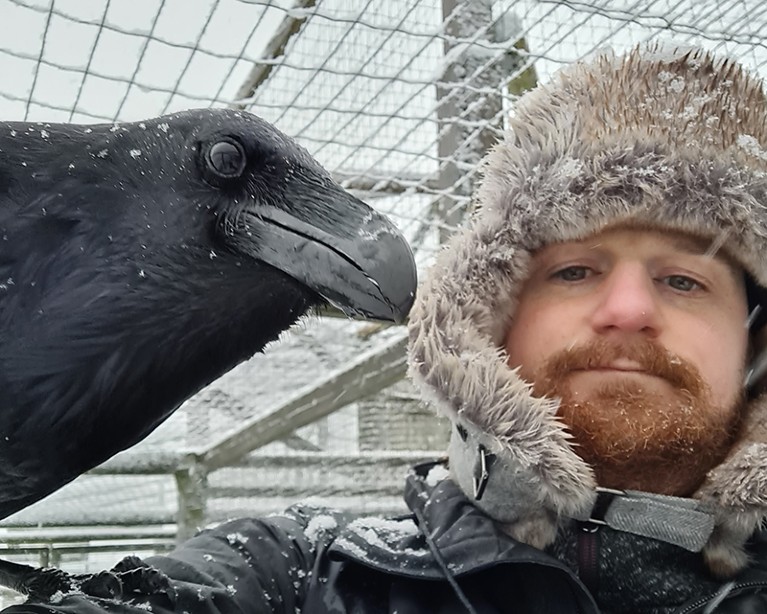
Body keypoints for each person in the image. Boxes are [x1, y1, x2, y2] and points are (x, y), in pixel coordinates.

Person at [7, 42, 767, 614]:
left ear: (755, 337)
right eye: (574, 271)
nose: (627, 310)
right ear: (489, 325)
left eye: (683, 279)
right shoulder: (301, 576)